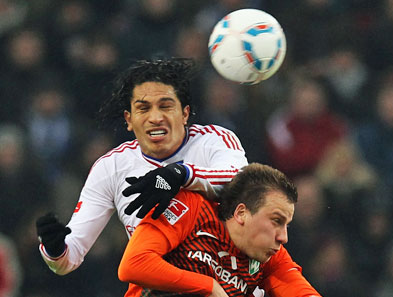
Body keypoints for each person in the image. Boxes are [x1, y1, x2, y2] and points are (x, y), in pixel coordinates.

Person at [35, 58, 249, 276]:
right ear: (129, 119)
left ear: (185, 114)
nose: (155, 118)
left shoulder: (214, 140)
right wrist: (55, 250)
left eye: (165, 106)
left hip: (227, 282)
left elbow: (242, 181)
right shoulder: (111, 167)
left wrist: (181, 174)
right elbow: (69, 258)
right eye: (143, 109)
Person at [118, 163, 321, 297]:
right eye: (276, 220)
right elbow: (133, 265)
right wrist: (210, 287)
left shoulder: (271, 257)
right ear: (241, 213)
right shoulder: (191, 208)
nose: (283, 237)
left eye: (286, 224)